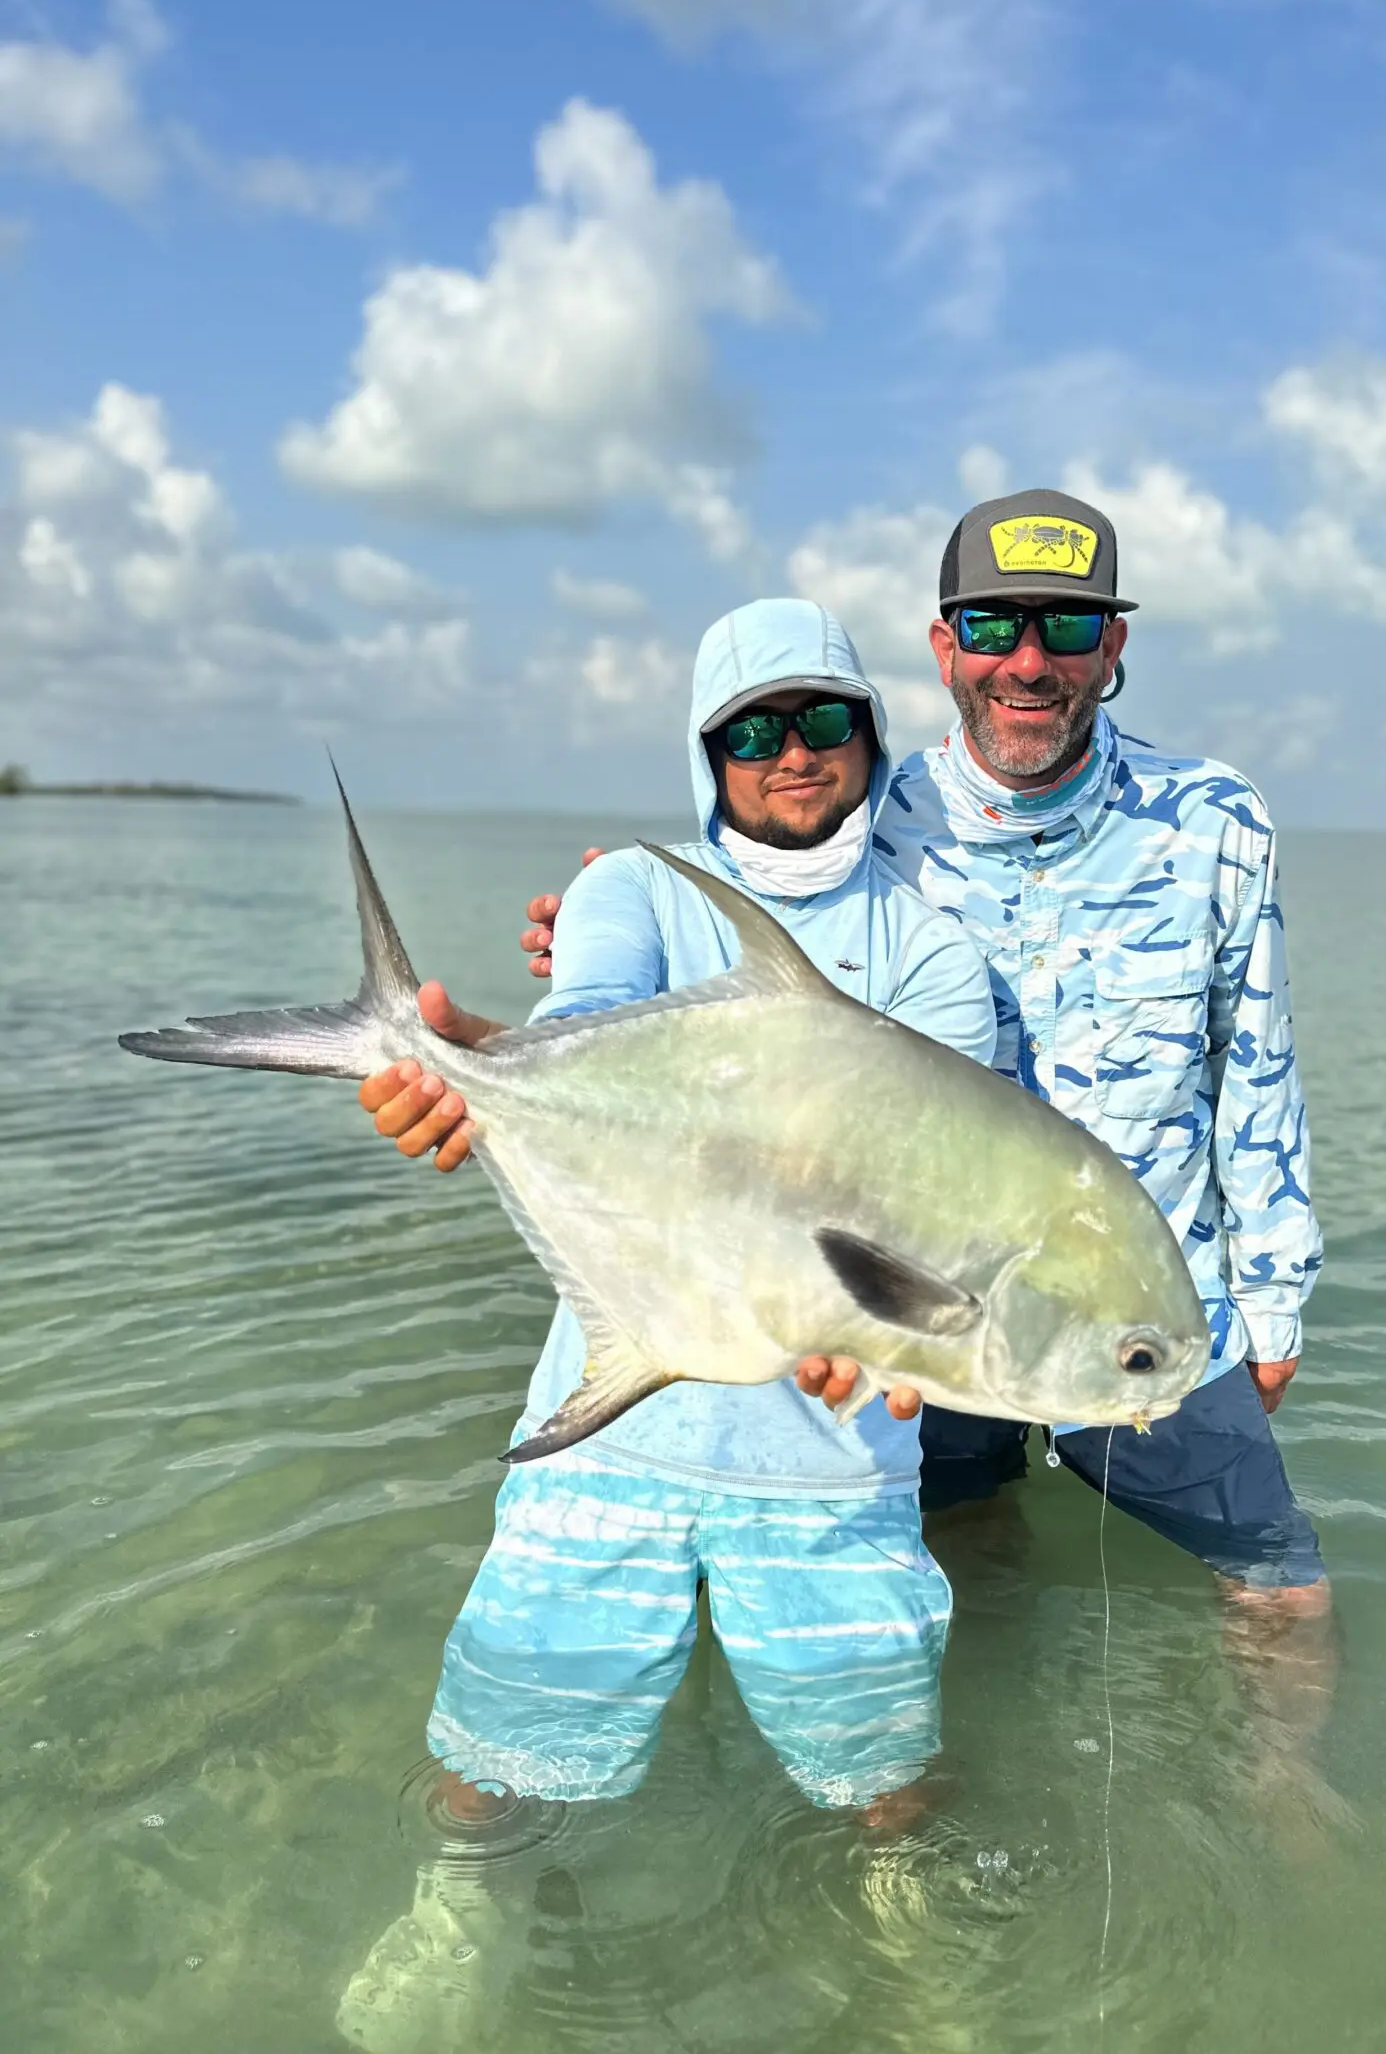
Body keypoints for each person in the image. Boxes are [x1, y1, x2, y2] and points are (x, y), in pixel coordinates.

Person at [337, 599, 996, 2053]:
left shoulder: (937, 954)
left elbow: (936, 1203)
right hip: (614, 1406)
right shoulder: (634, 891)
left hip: (834, 1435)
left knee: (888, 1767)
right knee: (498, 1743)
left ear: (871, 737)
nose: (792, 756)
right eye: (749, 732)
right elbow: (594, 1041)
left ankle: (909, 1921)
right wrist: (477, 1076)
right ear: (708, 757)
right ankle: (463, 1903)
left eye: (823, 720)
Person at [524, 495, 1328, 1630]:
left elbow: (1256, 1061)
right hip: (917, 1292)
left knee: (1278, 1583)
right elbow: (740, 907)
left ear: (1116, 647)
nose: (1030, 663)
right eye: (996, 627)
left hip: (1155, 1295)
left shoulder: (1216, 817)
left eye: (1069, 628)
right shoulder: (867, 808)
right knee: (960, 1550)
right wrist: (601, 942)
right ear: (946, 647)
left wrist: (1275, 1298)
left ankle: (1284, 1805)